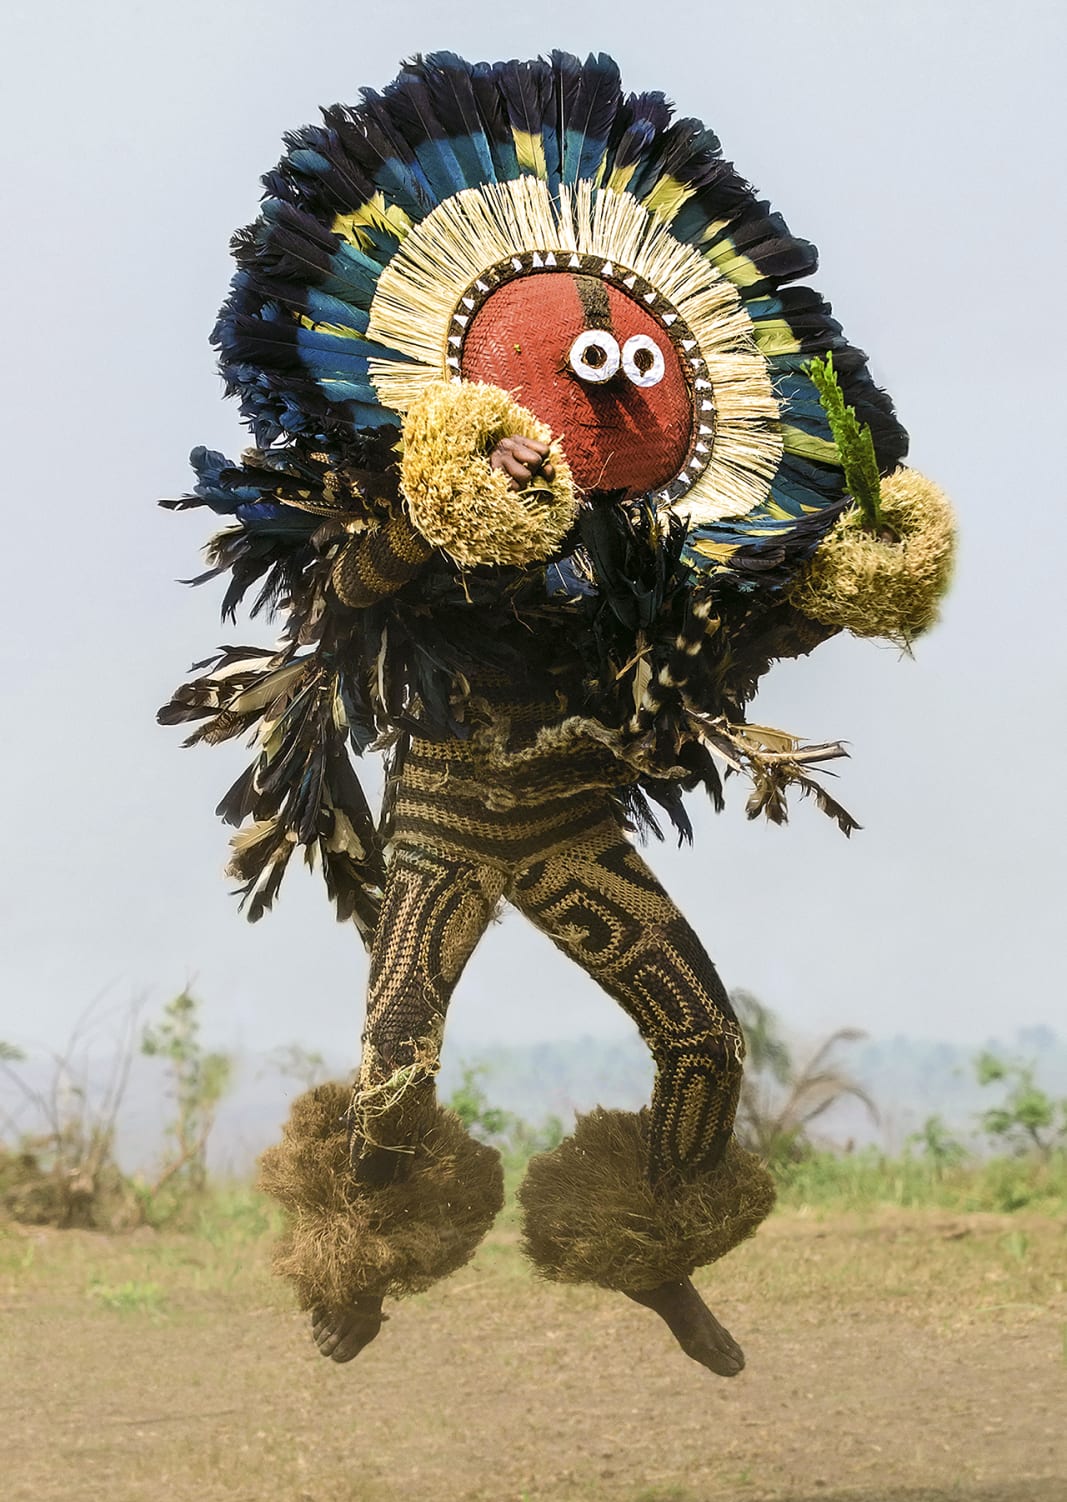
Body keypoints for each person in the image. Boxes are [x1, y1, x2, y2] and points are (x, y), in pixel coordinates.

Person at [161, 51, 954, 1375]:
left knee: (704, 1045)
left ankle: (651, 1247)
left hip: (573, 825)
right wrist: (434, 516)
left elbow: (735, 637)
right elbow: (339, 598)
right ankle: (355, 1256)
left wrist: (846, 579)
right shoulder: (428, 503)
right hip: (443, 822)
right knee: (394, 1065)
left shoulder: (655, 540)